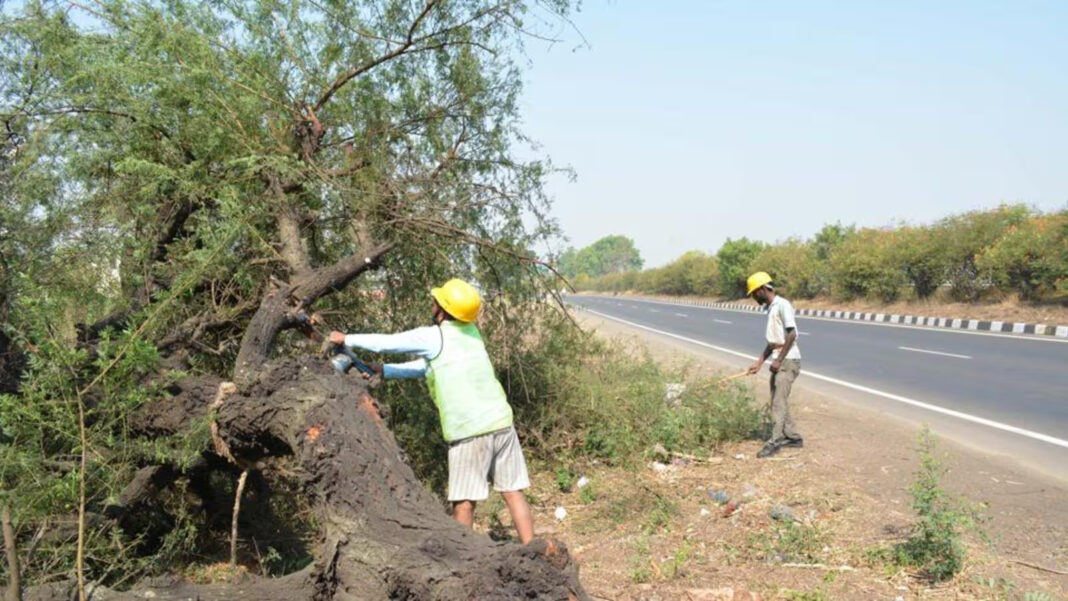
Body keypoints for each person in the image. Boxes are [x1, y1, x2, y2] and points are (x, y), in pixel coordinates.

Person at [328, 278, 535, 543]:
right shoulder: (472, 334)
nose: (433, 302)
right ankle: (534, 550)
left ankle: (465, 563)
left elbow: (389, 343)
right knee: (513, 491)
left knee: (463, 502)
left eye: (437, 300)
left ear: (443, 309)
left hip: (470, 430)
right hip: (502, 423)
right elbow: (430, 366)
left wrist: (346, 338)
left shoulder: (434, 336)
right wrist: (385, 370)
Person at [744, 271, 804, 458]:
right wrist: (760, 362)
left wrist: (778, 360)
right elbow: (773, 342)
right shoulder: (770, 308)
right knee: (778, 400)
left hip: (788, 360)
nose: (754, 297)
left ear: (763, 289)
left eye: (754, 293)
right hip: (780, 358)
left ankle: (775, 441)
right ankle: (793, 437)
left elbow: (791, 334)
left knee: (778, 402)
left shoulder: (782, 305)